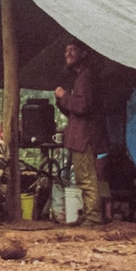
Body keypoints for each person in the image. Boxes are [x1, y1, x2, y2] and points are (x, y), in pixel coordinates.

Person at [55, 38, 110, 226]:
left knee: (86, 177)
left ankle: (93, 217)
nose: (67, 54)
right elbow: (74, 110)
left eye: (72, 50)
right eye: (66, 51)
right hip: (80, 136)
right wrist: (62, 100)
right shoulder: (81, 77)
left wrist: (64, 96)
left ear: (83, 54)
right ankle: (89, 214)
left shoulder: (86, 76)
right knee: (83, 177)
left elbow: (83, 106)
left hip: (85, 136)